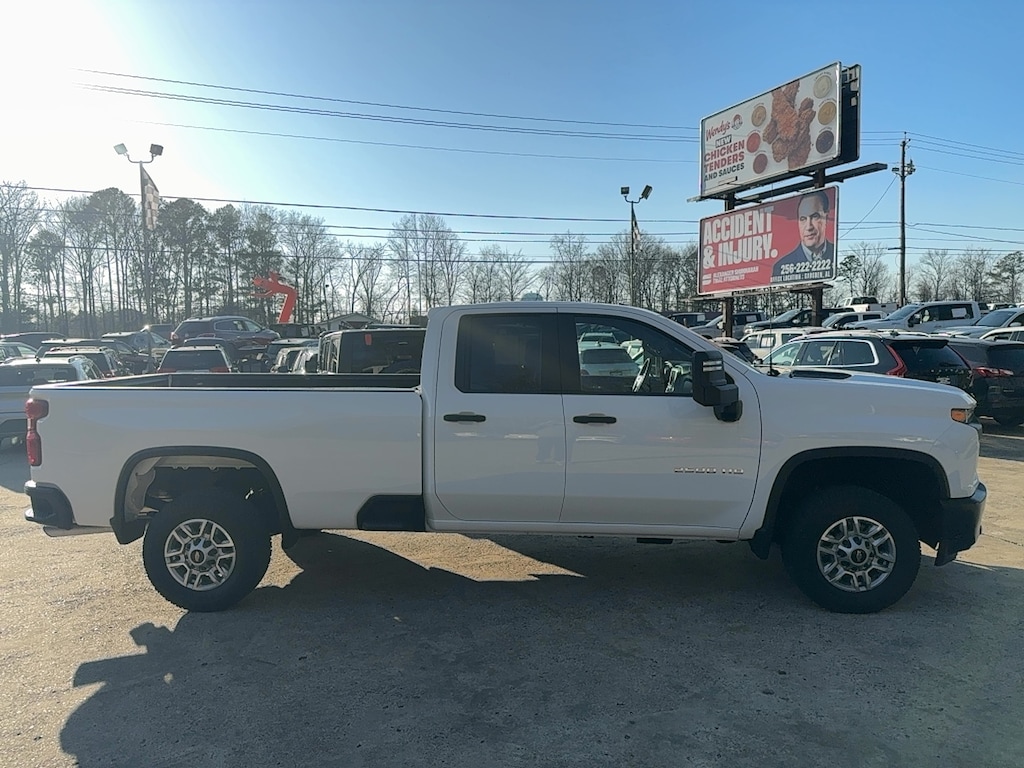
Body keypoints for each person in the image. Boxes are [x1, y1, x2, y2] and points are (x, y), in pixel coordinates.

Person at [772, 190, 835, 281]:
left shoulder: (837, 255)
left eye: (815, 216)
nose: (809, 227)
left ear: (827, 217)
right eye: (803, 219)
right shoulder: (781, 267)